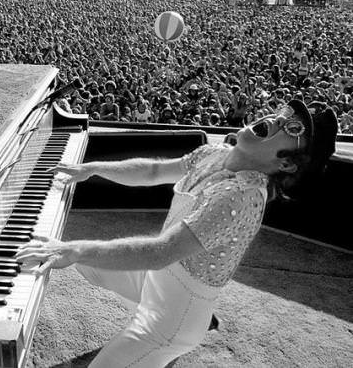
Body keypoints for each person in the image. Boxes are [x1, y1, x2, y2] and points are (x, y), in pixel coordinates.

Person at [17, 100, 338, 368]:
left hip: (171, 320)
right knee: (89, 263)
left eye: (293, 129)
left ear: (288, 165)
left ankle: (187, 327)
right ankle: (193, 317)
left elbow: (160, 252)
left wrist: (73, 248)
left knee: (84, 260)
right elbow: (155, 171)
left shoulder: (241, 196)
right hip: (158, 282)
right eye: (284, 113)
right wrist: (94, 168)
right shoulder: (216, 154)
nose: (278, 120)